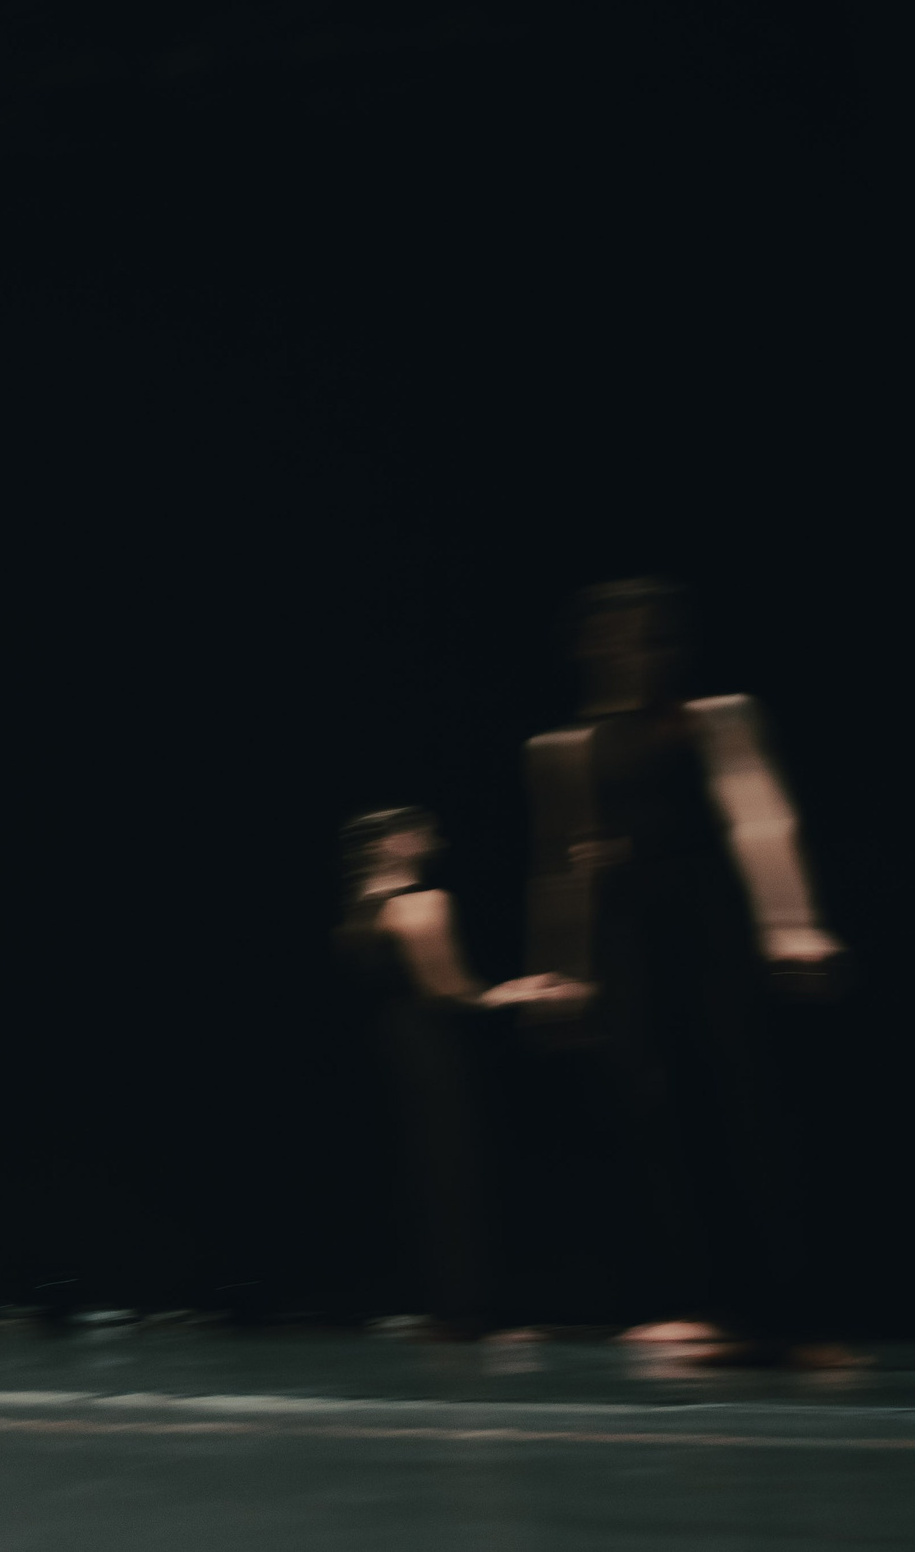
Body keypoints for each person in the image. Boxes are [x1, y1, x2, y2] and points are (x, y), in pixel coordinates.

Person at [521, 579, 854, 1366]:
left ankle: (791, 1311)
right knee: (657, 1108)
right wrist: (560, 968)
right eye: (619, 635)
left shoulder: (714, 717)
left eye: (650, 635)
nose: (635, 650)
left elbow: (761, 816)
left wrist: (790, 921)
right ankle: (706, 1303)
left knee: (745, 1099)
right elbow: (564, 862)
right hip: (632, 937)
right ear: (589, 644)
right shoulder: (564, 747)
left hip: (712, 924)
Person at [335, 807, 585, 1338]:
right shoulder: (423, 904)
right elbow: (450, 991)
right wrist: (527, 989)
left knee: (417, 1168)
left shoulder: (356, 908)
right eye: (421, 831)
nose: (435, 838)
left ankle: (437, 1299)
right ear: (393, 843)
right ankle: (465, 1306)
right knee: (453, 1166)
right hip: (431, 1048)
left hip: (384, 1048)